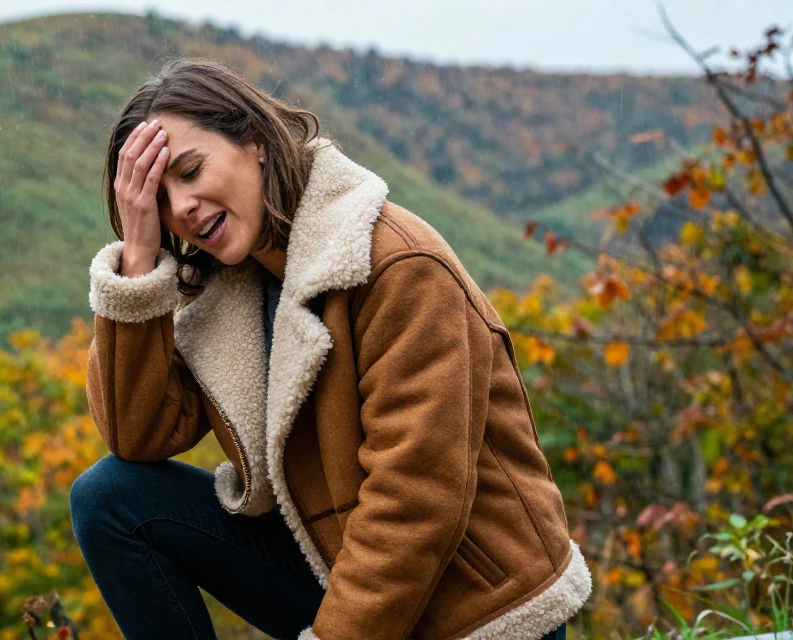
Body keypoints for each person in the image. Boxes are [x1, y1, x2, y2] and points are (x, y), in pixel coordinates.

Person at [69, 56, 591, 640]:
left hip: (468, 604)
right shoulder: (227, 294)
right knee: (111, 498)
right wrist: (138, 263)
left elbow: (415, 503)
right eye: (159, 200)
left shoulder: (396, 265)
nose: (182, 208)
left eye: (190, 171)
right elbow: (136, 437)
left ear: (255, 140)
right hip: (338, 563)